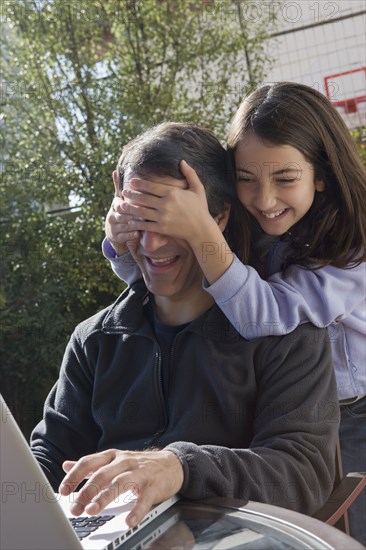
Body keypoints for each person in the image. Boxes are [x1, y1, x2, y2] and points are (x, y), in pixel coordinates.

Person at [31, 122, 339, 530]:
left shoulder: (288, 333)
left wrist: (181, 466)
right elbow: (50, 454)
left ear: (219, 217)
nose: (151, 245)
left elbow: (303, 472)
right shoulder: (95, 340)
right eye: (139, 220)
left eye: (169, 221)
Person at [103, 83, 366, 544]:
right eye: (246, 178)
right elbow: (177, 279)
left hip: (352, 417)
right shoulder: (265, 222)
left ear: (320, 175)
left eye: (285, 178)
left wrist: (201, 228)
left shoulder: (353, 254)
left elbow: (264, 316)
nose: (264, 199)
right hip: (289, 410)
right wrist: (127, 237)